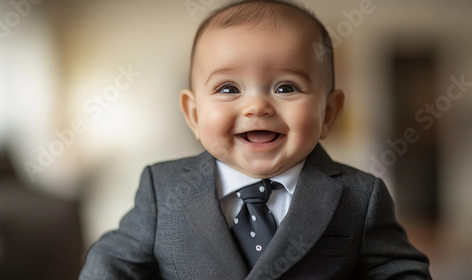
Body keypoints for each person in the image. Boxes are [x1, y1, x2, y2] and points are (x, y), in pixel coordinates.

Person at [79, 0, 431, 279]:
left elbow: (399, 271)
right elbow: (113, 261)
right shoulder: (162, 188)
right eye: (229, 88)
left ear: (327, 113)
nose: (257, 106)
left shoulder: (360, 197)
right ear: (194, 115)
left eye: (286, 87)